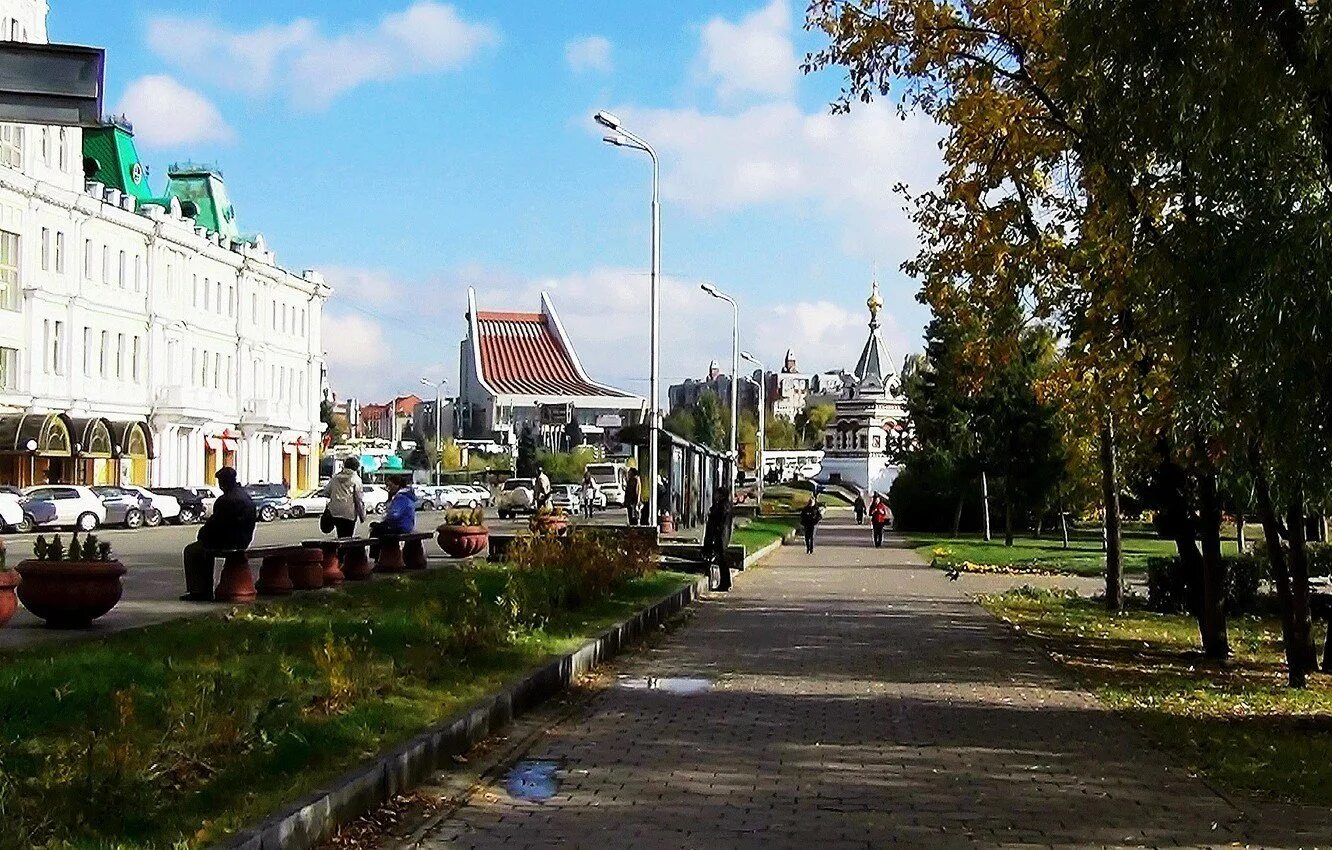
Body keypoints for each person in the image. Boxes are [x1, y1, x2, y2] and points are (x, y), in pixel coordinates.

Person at [181, 467, 257, 601]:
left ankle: (200, 591)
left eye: (221, 481)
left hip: (228, 541)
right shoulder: (245, 496)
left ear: (224, 482)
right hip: (243, 540)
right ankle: (203, 590)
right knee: (204, 547)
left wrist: (202, 535)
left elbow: (215, 525)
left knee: (193, 551)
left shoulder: (226, 500)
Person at [369, 475, 416, 554]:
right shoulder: (406, 496)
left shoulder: (401, 497)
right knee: (378, 528)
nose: (388, 488)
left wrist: (386, 519)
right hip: (405, 525)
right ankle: (379, 555)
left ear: (397, 485)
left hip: (400, 526)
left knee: (376, 530)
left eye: (390, 485)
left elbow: (394, 515)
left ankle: (377, 555)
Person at [702, 485, 734, 591]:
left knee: (722, 561)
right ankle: (725, 582)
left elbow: (718, 523)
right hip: (722, 536)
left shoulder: (722, 507)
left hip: (720, 536)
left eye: (717, 494)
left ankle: (725, 583)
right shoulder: (724, 506)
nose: (715, 496)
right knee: (722, 561)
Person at [325, 457, 366, 538]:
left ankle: (340, 549)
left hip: (335, 512)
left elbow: (327, 492)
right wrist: (362, 515)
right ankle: (344, 550)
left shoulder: (335, 478)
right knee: (348, 537)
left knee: (340, 534)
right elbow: (359, 499)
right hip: (349, 513)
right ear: (356, 467)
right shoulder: (356, 480)